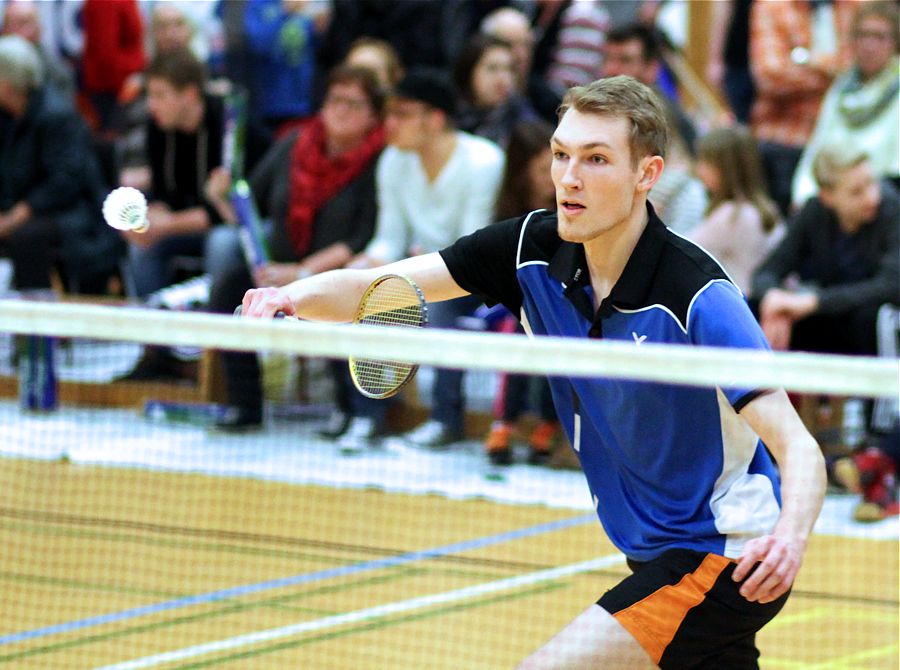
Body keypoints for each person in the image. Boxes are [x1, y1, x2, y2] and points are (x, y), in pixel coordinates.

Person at [240, 76, 826, 668]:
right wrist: (288, 296)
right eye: (561, 154)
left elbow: (798, 447)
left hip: (724, 554)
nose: (570, 176)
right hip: (651, 550)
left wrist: (792, 538)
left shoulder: (697, 297)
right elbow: (385, 287)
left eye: (596, 160)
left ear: (646, 175)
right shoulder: (530, 251)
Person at [204, 65, 385, 430]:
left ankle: (347, 410)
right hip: (282, 263)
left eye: (355, 104)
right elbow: (250, 203)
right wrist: (221, 197)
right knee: (227, 291)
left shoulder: (380, 161)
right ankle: (246, 406)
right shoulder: (295, 143)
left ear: (373, 116)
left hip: (339, 273)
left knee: (336, 302)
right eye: (336, 99)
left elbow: (361, 238)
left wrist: (303, 273)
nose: (342, 110)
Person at [335, 67, 504, 451]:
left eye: (402, 114)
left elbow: (472, 245)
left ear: (435, 119)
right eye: (390, 113)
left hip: (476, 277)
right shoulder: (393, 161)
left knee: (442, 309)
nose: (389, 123)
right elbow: (388, 238)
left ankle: (447, 420)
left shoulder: (483, 161)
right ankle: (367, 416)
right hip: (419, 273)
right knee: (363, 296)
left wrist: (423, 263)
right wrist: (359, 268)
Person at [0, 35, 121, 294]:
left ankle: (37, 324)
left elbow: (66, 181)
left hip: (71, 210)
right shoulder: (6, 117)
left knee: (27, 236)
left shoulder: (57, 115)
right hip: (23, 207)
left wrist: (15, 216)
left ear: (8, 83)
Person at [752, 145, 899, 358]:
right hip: (833, 315)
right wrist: (774, 300)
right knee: (760, 307)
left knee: (868, 316)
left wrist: (814, 302)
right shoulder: (813, 213)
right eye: (856, 192)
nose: (872, 197)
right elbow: (767, 271)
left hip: (874, 320)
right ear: (827, 196)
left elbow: (891, 285)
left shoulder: (893, 209)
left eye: (871, 183)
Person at [481, 119, 562, 467]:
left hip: (558, 305)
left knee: (554, 342)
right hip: (509, 305)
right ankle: (504, 425)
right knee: (517, 336)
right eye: (544, 169)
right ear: (523, 172)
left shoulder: (570, 209)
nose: (554, 177)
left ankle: (548, 425)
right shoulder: (507, 212)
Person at [748, 0, 856, 216]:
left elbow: (861, 67)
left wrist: (809, 61)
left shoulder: (855, 5)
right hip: (788, 137)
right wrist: (834, 74)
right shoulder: (772, 7)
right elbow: (771, 77)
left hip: (846, 134)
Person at [791, 1, 899, 209]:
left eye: (879, 37)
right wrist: (803, 195)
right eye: (863, 35)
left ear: (894, 43)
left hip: (879, 199)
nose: (870, 45)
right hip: (833, 199)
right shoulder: (842, 88)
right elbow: (817, 148)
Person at [689, 125, 783, 294]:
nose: (699, 169)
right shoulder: (767, 209)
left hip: (739, 300)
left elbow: (684, 253)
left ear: (726, 168)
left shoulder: (732, 215)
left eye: (706, 162)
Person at [453, 34, 538, 149]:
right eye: (492, 68)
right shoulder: (448, 113)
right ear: (469, 71)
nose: (503, 78)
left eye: (509, 69)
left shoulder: (520, 117)